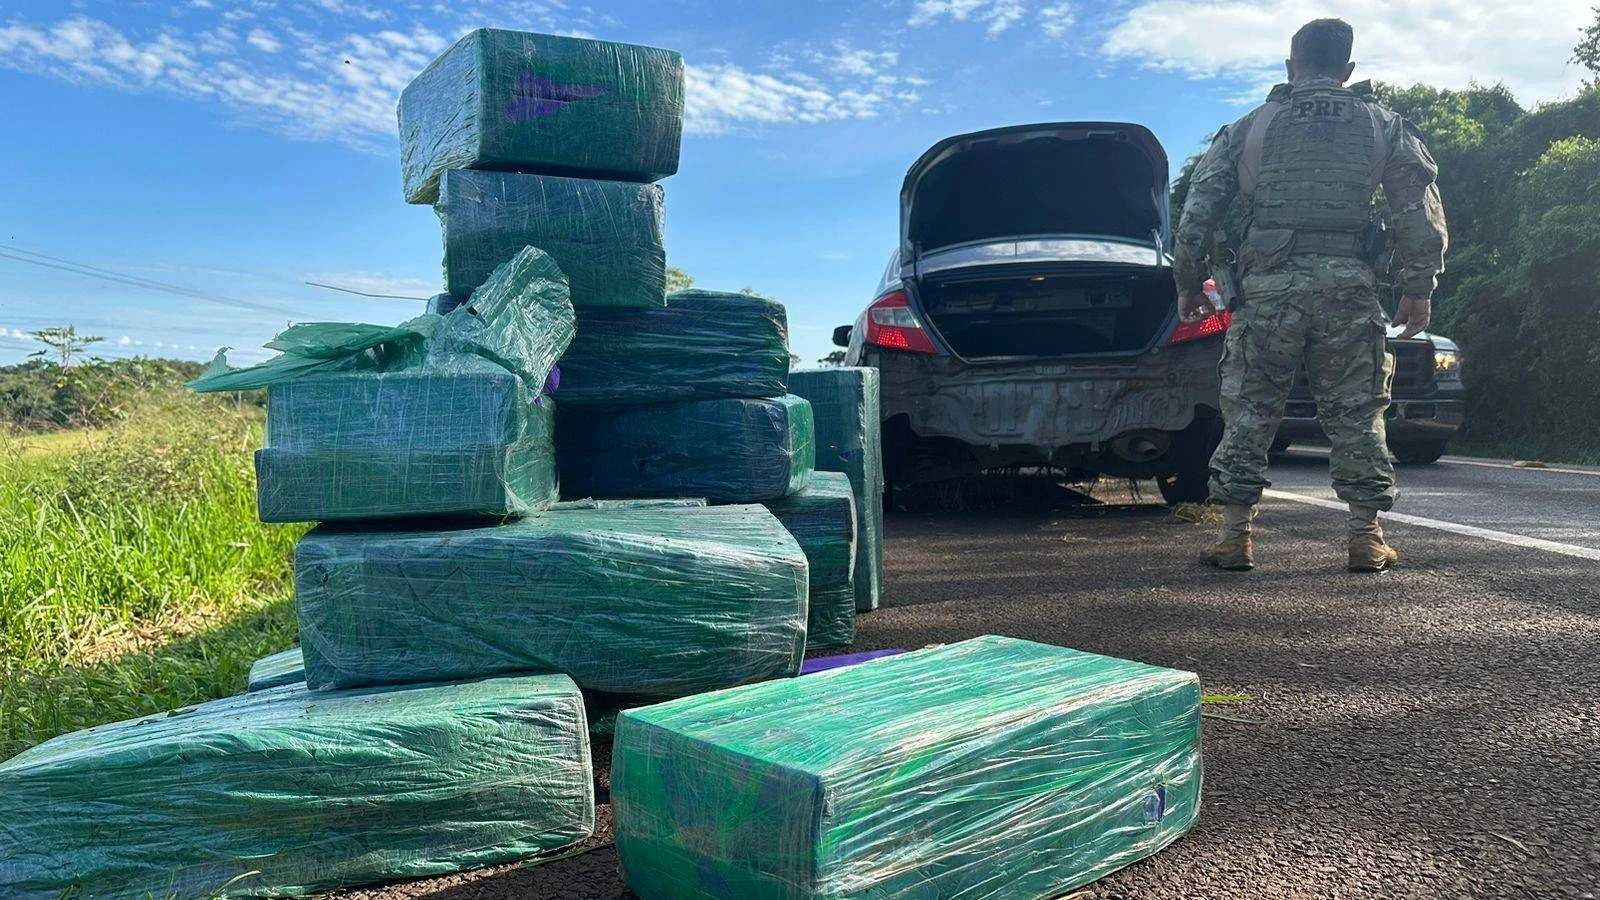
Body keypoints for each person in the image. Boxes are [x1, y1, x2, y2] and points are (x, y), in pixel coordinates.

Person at [1173, 18, 1447, 572]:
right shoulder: (1384, 126)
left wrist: (1189, 283)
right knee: (1358, 412)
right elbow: (1416, 210)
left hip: (1267, 290)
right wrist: (1419, 286)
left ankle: (1234, 537)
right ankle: (1366, 537)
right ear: (1348, 69)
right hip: (1349, 288)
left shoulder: (1250, 127)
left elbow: (1199, 211)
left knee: (1250, 408)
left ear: (1290, 66)